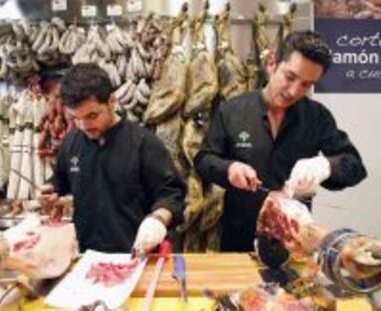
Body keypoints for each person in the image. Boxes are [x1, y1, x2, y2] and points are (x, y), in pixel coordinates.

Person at [194, 30, 367, 252]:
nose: (295, 91)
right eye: (290, 77)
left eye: (306, 85)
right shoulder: (232, 110)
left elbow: (355, 166)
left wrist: (326, 166)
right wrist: (229, 168)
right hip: (238, 241)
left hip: (291, 240)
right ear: (272, 63)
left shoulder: (317, 117)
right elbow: (204, 159)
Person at [37, 63, 186, 255]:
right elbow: (61, 180)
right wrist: (49, 190)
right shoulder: (71, 142)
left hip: (136, 255)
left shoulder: (143, 143)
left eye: (92, 115)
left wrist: (157, 220)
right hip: (86, 256)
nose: (84, 125)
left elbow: (172, 195)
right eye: (76, 118)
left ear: (112, 101)